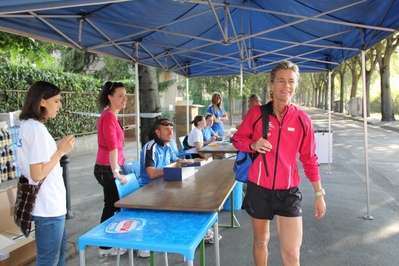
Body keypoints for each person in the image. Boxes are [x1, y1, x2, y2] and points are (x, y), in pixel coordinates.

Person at [232, 61, 326, 266]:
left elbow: (309, 158)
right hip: (259, 189)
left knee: (292, 253)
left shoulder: (303, 120)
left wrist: (319, 194)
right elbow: (238, 139)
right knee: (261, 241)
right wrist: (253, 144)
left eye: (291, 81)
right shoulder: (257, 114)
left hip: (288, 192)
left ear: (295, 85)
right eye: (281, 81)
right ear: (271, 85)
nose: (286, 86)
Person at [17, 81, 75, 266]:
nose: (60, 105)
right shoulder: (36, 130)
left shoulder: (27, 126)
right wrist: (60, 151)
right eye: (56, 101)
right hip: (48, 207)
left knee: (55, 258)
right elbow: (37, 173)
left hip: (48, 206)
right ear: (42, 101)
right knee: (49, 260)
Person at [93, 81, 133, 258]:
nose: (124, 98)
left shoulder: (111, 116)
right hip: (107, 168)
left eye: (125, 95)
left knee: (113, 203)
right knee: (111, 204)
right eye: (120, 95)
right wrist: (116, 171)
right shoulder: (109, 116)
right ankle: (105, 246)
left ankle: (111, 242)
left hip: (110, 167)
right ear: (110, 97)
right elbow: (112, 146)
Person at [138, 118, 186, 186]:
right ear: (158, 132)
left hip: (164, 182)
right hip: (149, 187)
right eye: (166, 129)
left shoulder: (167, 146)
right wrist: (171, 171)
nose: (171, 132)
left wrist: (183, 161)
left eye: (171, 129)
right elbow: (151, 173)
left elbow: (175, 159)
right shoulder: (150, 147)